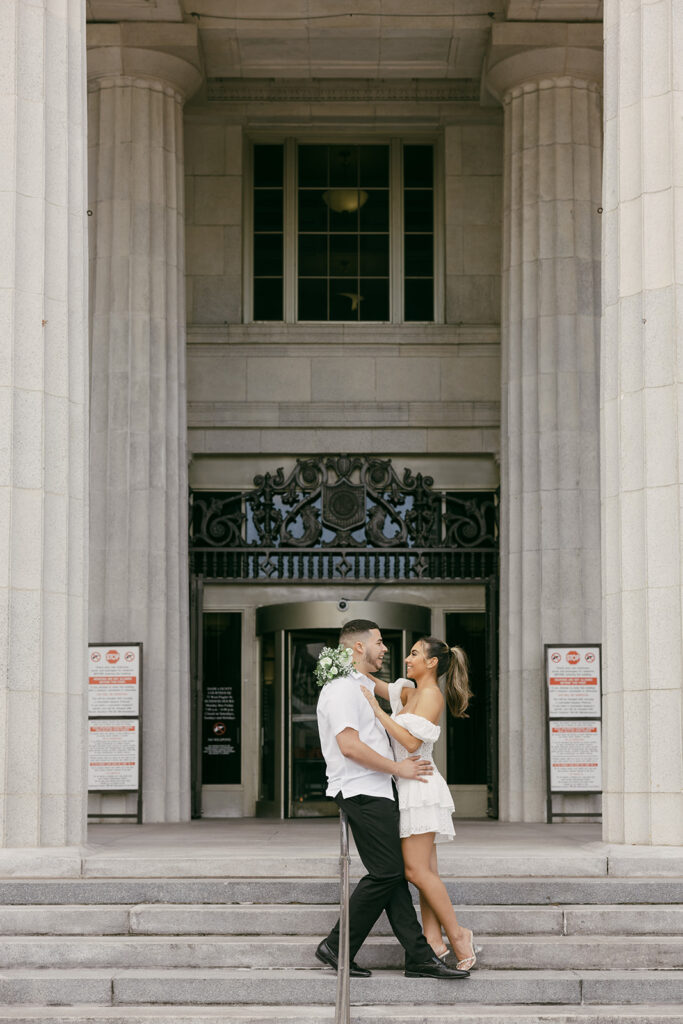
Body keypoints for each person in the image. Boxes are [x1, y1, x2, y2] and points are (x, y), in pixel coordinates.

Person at [315, 619, 470, 980]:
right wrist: (397, 768)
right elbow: (349, 746)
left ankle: (418, 955)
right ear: (357, 648)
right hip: (362, 789)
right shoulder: (341, 689)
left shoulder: (359, 684)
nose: (387, 649)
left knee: (393, 874)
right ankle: (338, 946)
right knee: (389, 872)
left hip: (381, 789)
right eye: (380, 642)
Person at [361, 636, 480, 971]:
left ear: (431, 662)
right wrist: (348, 664)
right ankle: (433, 938)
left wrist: (377, 712)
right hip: (408, 786)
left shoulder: (431, 696)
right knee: (426, 871)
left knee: (414, 870)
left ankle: (458, 935)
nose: (406, 659)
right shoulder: (409, 692)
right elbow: (374, 683)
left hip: (422, 788)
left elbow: (412, 743)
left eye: (414, 654)